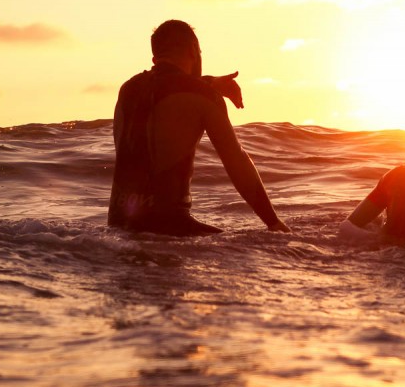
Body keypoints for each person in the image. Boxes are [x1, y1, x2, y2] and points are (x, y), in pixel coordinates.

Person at [108, 19, 290, 235]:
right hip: (170, 227)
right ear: (194, 50)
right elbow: (236, 161)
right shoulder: (203, 96)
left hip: (118, 225)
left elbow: (164, 86)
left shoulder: (128, 90)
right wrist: (274, 223)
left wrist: (210, 82)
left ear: (155, 57)